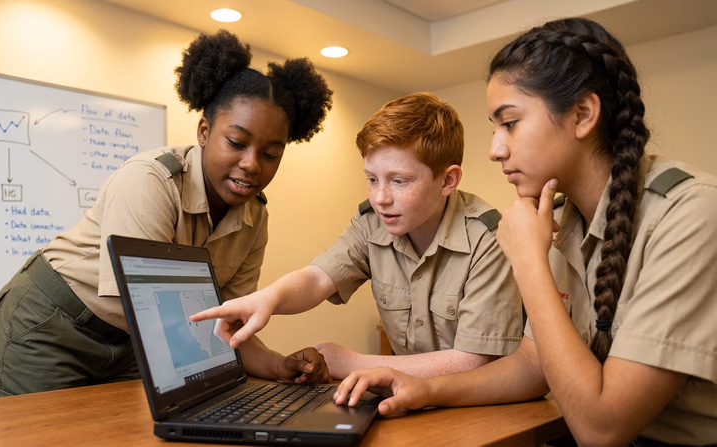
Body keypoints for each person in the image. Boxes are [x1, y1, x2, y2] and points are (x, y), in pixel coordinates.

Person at [332, 18, 717, 446]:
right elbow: (533, 365)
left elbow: (603, 428)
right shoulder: (562, 218)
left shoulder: (691, 212)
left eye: (510, 123)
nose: (495, 149)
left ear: (582, 115)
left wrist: (529, 262)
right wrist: (423, 388)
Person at [0, 29, 334, 399]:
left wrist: (279, 365)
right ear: (204, 130)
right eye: (236, 143)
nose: (251, 164)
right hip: (55, 322)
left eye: (271, 154)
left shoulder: (255, 219)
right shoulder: (151, 181)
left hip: (135, 342)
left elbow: (225, 326)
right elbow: (153, 319)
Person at [191, 92, 524, 379]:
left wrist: (352, 363)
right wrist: (267, 300)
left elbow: (477, 361)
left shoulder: (488, 238)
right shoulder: (373, 221)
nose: (381, 198)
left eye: (399, 181)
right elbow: (318, 278)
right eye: (373, 179)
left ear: (448, 180)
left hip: (485, 411)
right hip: (413, 403)